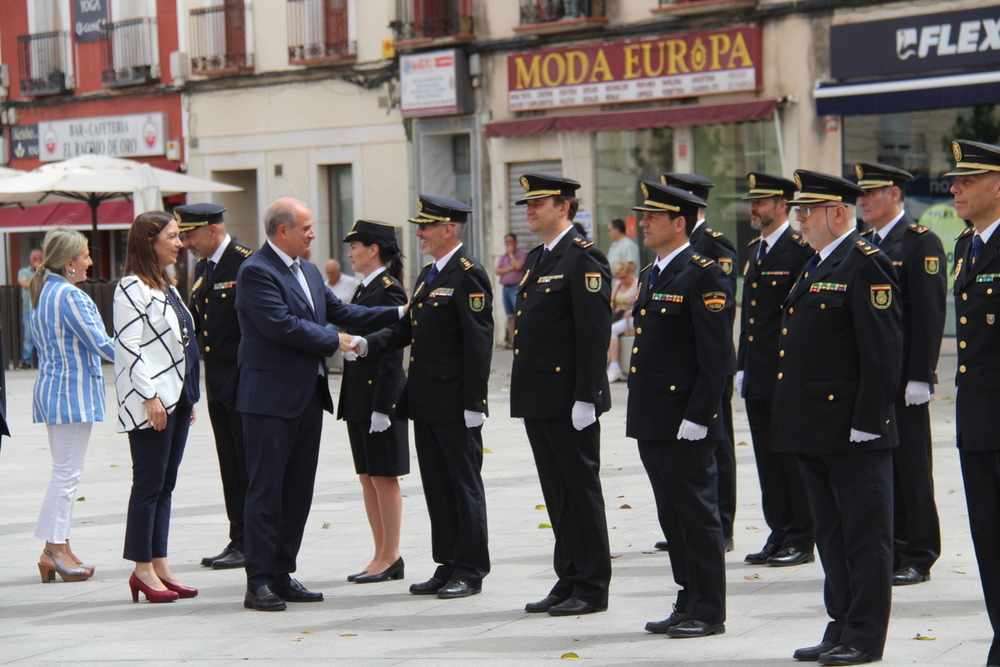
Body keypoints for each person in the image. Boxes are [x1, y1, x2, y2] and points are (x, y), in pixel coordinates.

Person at [235, 198, 401, 612]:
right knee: (266, 491)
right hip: (269, 400)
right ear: (282, 231)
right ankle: (259, 581)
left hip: (307, 397)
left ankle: (282, 571)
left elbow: (343, 310)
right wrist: (337, 340)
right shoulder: (256, 271)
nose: (313, 234)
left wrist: (402, 311)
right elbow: (281, 326)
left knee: (297, 492)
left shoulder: (307, 271)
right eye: (306, 228)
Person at [772, 170, 902, 665]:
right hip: (814, 428)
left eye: (807, 211)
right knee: (831, 535)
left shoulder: (866, 263)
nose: (799, 220)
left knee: (865, 540)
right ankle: (840, 622)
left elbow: (883, 350)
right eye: (798, 211)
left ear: (838, 213)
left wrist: (868, 420)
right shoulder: (816, 263)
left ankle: (864, 636)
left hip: (853, 429)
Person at [342, 195, 493, 600]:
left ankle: (471, 568)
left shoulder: (468, 274)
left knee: (463, 486)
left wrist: (475, 403)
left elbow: (479, 344)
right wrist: (364, 344)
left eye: (426, 227)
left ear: (448, 229)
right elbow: (406, 330)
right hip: (425, 400)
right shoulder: (429, 275)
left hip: (456, 402)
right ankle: (447, 563)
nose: (419, 234)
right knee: (438, 487)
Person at [627, 181, 733, 639]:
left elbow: (717, 357)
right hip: (653, 415)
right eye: (643, 216)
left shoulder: (703, 273)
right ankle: (687, 596)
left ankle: (709, 608)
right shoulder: (654, 274)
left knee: (697, 514)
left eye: (652, 217)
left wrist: (700, 415)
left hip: (686, 419)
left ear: (679, 223)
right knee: (671, 516)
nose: (643, 224)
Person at [509, 173, 612, 617]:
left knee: (580, 491)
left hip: (571, 400)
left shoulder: (583, 259)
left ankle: (591, 585)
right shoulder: (538, 258)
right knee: (556, 492)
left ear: (564, 208)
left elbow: (594, 333)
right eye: (528, 204)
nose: (530, 210)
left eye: (539, 204)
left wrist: (588, 396)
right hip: (540, 397)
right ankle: (568, 575)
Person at [855, 162, 947, 587]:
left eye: (870, 193)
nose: (862, 201)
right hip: (872, 375)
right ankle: (891, 544)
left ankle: (919, 551)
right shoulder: (862, 244)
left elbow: (929, 314)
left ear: (894, 195)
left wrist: (921, 374)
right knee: (878, 468)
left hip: (905, 377)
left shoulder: (919, 243)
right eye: (859, 194)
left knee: (911, 466)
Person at [114, 211, 202, 604]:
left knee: (165, 485)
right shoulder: (130, 287)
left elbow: (183, 342)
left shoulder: (166, 285)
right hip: (153, 401)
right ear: (149, 241)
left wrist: (188, 397)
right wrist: (150, 396)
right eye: (171, 236)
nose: (179, 243)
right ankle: (141, 568)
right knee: (148, 485)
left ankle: (160, 563)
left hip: (177, 399)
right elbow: (128, 347)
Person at [737, 173, 816, 568]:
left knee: (791, 458)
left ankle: (802, 536)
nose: (754, 207)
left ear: (783, 205)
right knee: (768, 459)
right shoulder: (756, 250)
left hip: (786, 373)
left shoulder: (799, 249)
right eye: (753, 201)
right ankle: (779, 530)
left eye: (762, 201)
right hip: (758, 371)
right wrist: (741, 365)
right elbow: (750, 318)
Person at [658, 172, 738, 553]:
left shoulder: (715, 247)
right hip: (681, 370)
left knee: (715, 448)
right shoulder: (667, 245)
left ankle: (721, 524)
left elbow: (719, 310)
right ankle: (689, 521)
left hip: (710, 365)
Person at [30, 227, 114, 583]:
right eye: (86, 256)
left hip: (56, 392)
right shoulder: (70, 295)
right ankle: (53, 548)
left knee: (65, 473)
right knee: (66, 475)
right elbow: (102, 346)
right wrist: (145, 356)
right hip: (71, 395)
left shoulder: (44, 291)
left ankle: (59, 546)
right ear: (69, 263)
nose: (91, 261)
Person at [177, 203, 254, 571]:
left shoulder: (245, 263)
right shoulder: (204, 266)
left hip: (245, 378)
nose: (186, 242)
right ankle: (238, 536)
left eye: (190, 234)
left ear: (212, 230)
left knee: (247, 460)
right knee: (229, 461)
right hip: (218, 381)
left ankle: (253, 538)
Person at [947, 139, 1000, 667]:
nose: (954, 187)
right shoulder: (967, 246)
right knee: (987, 537)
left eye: (968, 179)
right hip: (979, 417)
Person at [337, 220, 409, 584]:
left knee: (384, 477)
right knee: (367, 476)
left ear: (374, 249)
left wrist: (384, 406)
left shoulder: (389, 290)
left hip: (380, 397)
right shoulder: (365, 289)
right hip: (359, 396)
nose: (350, 253)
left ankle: (391, 554)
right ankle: (379, 553)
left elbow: (393, 352)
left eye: (355, 246)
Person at [606, 260, 637, 383]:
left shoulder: (637, 283)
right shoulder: (618, 285)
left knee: (612, 330)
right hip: (619, 317)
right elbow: (612, 303)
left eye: (624, 277)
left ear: (630, 272)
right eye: (619, 277)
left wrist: (633, 310)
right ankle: (609, 363)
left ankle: (614, 366)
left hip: (633, 317)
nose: (622, 280)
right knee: (606, 329)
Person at [494, 233, 527, 348]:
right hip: (506, 288)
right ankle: (513, 341)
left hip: (516, 287)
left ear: (515, 242)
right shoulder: (503, 257)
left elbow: (518, 266)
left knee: (518, 313)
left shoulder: (521, 255)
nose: (509, 244)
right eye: (507, 242)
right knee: (510, 315)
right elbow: (497, 271)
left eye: (511, 241)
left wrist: (512, 256)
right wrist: (510, 268)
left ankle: (522, 339)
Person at [18, 248, 43, 368]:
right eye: (35, 258)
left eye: (40, 259)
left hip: (43, 309)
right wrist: (38, 280)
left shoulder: (46, 272)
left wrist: (39, 272)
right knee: (28, 337)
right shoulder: (24, 271)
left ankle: (42, 361)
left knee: (43, 336)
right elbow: (25, 284)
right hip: (28, 309)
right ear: (30, 259)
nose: (37, 261)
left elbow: (46, 284)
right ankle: (27, 362)